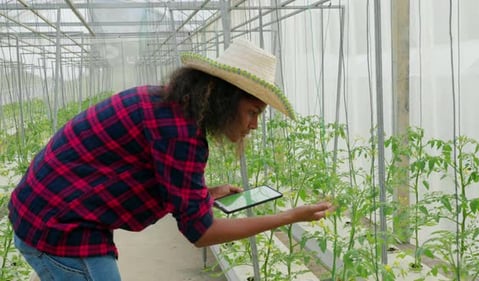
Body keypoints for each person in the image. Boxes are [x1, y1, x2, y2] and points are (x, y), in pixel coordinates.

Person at [8, 38, 332, 280]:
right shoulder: (180, 132)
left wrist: (204, 194)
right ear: (226, 100)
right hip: (57, 227)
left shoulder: (168, 107)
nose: (254, 124)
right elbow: (201, 233)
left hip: (48, 211)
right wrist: (290, 217)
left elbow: (155, 177)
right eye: (252, 112)